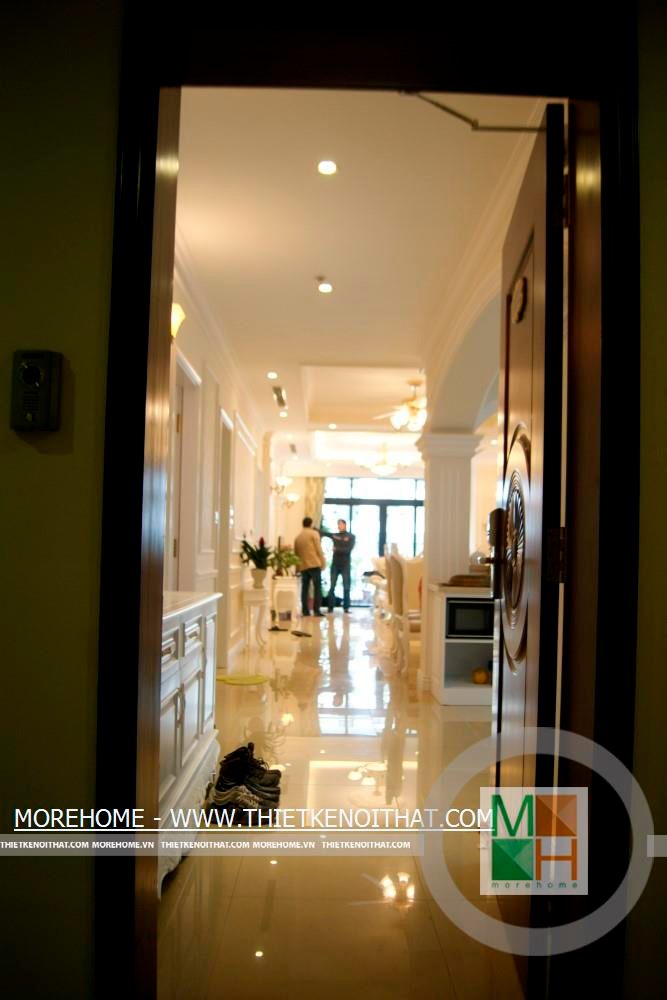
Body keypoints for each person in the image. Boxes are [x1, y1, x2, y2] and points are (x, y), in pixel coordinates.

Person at [293, 517, 326, 617]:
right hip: (314, 564)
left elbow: (296, 554)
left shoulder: (298, 537)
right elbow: (318, 549)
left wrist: (297, 568)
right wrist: (323, 562)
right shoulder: (314, 534)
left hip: (303, 566)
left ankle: (305, 611)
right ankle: (316, 610)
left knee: (305, 588)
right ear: (311, 524)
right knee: (317, 588)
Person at [322, 518, 356, 613]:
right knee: (332, 586)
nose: (339, 526)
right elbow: (324, 533)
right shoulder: (335, 536)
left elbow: (348, 550)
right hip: (335, 565)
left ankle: (346, 607)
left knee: (346, 587)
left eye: (341, 524)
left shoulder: (351, 536)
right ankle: (330, 607)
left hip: (345, 565)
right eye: (338, 524)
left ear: (345, 525)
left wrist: (337, 549)